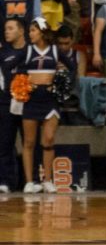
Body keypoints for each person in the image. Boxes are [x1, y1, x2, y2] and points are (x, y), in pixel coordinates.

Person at [18, 18, 76, 193]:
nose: (30, 34)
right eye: (29, 31)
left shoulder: (55, 51)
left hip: (50, 101)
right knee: (29, 142)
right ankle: (29, 182)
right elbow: (15, 70)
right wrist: (25, 83)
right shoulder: (27, 51)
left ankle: (48, 180)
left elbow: (72, 68)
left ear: (42, 32)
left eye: (33, 31)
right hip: (31, 101)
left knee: (49, 139)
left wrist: (60, 84)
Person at [0, 18, 26, 193]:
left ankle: (31, 181)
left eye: (10, 28)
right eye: (5, 29)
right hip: (6, 102)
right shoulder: (2, 53)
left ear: (21, 31)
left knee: (30, 143)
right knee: (4, 143)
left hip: (28, 104)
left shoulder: (30, 51)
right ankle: (5, 181)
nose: (6, 32)